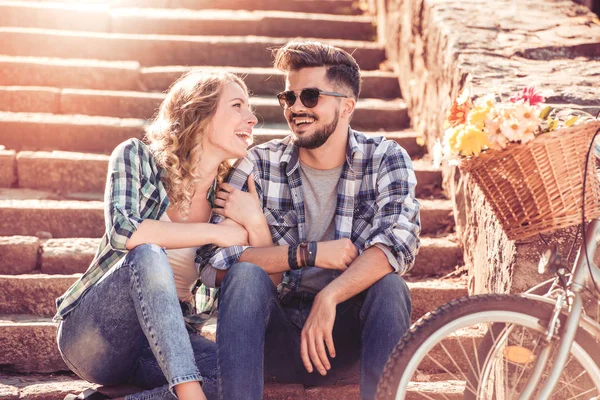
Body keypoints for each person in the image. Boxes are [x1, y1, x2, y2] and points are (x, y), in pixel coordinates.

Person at [198, 41, 421, 400]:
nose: (296, 108)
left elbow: (398, 243)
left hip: (346, 341)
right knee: (244, 276)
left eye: (311, 97)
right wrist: (306, 254)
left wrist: (329, 297)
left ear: (347, 106)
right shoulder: (258, 165)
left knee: (391, 288)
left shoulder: (385, 158)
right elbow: (213, 264)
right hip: (276, 337)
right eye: (289, 98)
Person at [54, 70, 261, 400]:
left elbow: (260, 273)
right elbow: (125, 231)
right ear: (200, 112)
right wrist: (216, 233)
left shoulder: (228, 198)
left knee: (240, 376)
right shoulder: (136, 157)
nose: (252, 118)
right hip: (96, 338)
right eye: (238, 105)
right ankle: (189, 392)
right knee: (148, 252)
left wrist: (254, 222)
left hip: (165, 344)